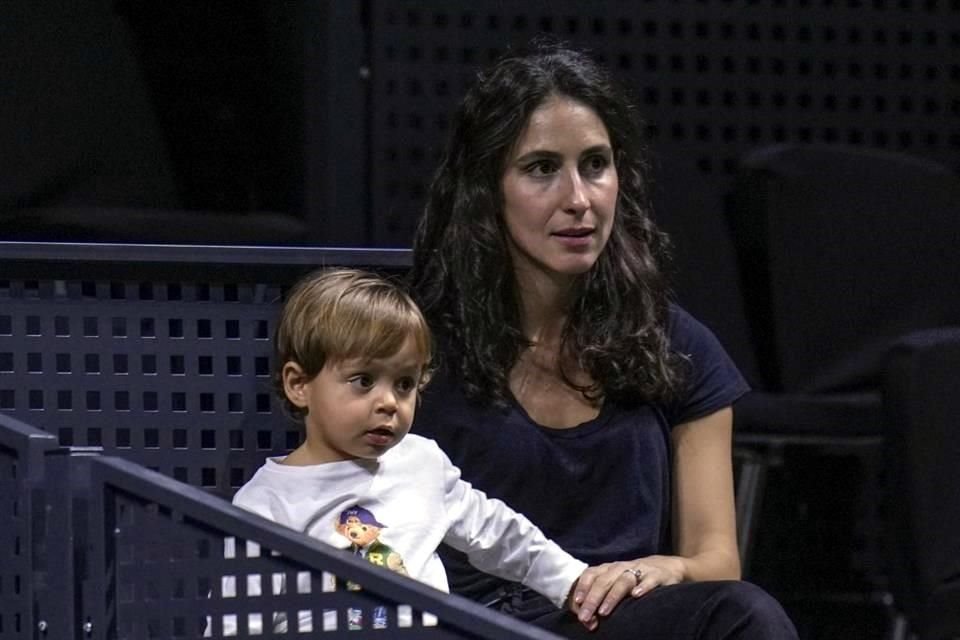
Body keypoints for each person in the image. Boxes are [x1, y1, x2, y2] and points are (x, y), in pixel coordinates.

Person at [408, 41, 799, 639]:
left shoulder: (676, 344)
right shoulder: (416, 344)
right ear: (487, 187)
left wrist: (664, 567)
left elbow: (717, 560)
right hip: (468, 624)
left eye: (595, 164)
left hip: (615, 619)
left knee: (743, 614)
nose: (579, 199)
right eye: (542, 168)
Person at [230, 267, 603, 632]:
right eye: (364, 380)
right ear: (299, 384)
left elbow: (498, 534)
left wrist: (573, 582)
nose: (390, 402)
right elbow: (237, 623)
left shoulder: (421, 462)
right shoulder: (265, 505)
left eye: (405, 384)